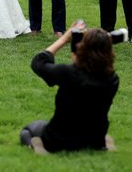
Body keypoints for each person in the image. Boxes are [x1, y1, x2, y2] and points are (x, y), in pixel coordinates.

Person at [19, 22, 119, 153]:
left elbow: (38, 62)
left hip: (58, 140)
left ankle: (38, 149)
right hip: (95, 140)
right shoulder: (112, 79)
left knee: (28, 130)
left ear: (82, 49)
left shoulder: (67, 73)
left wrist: (64, 39)